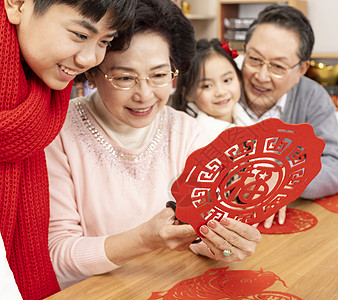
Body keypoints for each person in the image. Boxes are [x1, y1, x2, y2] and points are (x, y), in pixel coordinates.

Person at [45, 0, 261, 289]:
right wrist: (145, 238)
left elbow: (198, 235)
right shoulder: (57, 134)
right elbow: (56, 256)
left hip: (169, 284)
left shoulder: (186, 131)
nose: (144, 95)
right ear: (93, 72)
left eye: (159, 75)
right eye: (125, 78)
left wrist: (220, 244)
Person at [0, 0, 136, 298]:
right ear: (18, 4)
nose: (89, 58)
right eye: (78, 35)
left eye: (104, 41)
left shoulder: (41, 99)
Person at [240, 4, 338, 227]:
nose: (261, 76)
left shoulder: (312, 97)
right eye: (254, 59)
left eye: (277, 67)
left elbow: (335, 166)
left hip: (280, 222)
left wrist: (284, 180)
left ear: (301, 70)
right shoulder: (219, 84)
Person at [172, 38, 253, 140]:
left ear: (239, 78)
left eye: (227, 80)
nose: (220, 92)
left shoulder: (244, 116)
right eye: (207, 86)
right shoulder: (193, 136)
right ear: (187, 93)